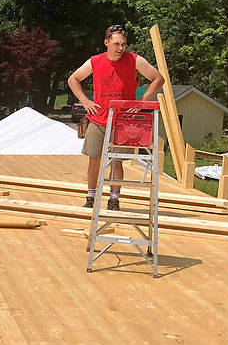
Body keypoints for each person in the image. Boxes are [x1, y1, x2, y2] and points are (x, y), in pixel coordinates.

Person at [68, 25, 165, 210]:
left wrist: (142, 101)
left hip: (123, 121)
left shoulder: (134, 60)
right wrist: (85, 101)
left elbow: (158, 78)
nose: (120, 48)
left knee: (117, 160)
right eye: (117, 44)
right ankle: (91, 197)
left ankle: (114, 199)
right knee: (94, 159)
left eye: (123, 44)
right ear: (106, 43)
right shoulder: (95, 61)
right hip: (98, 118)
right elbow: (73, 79)